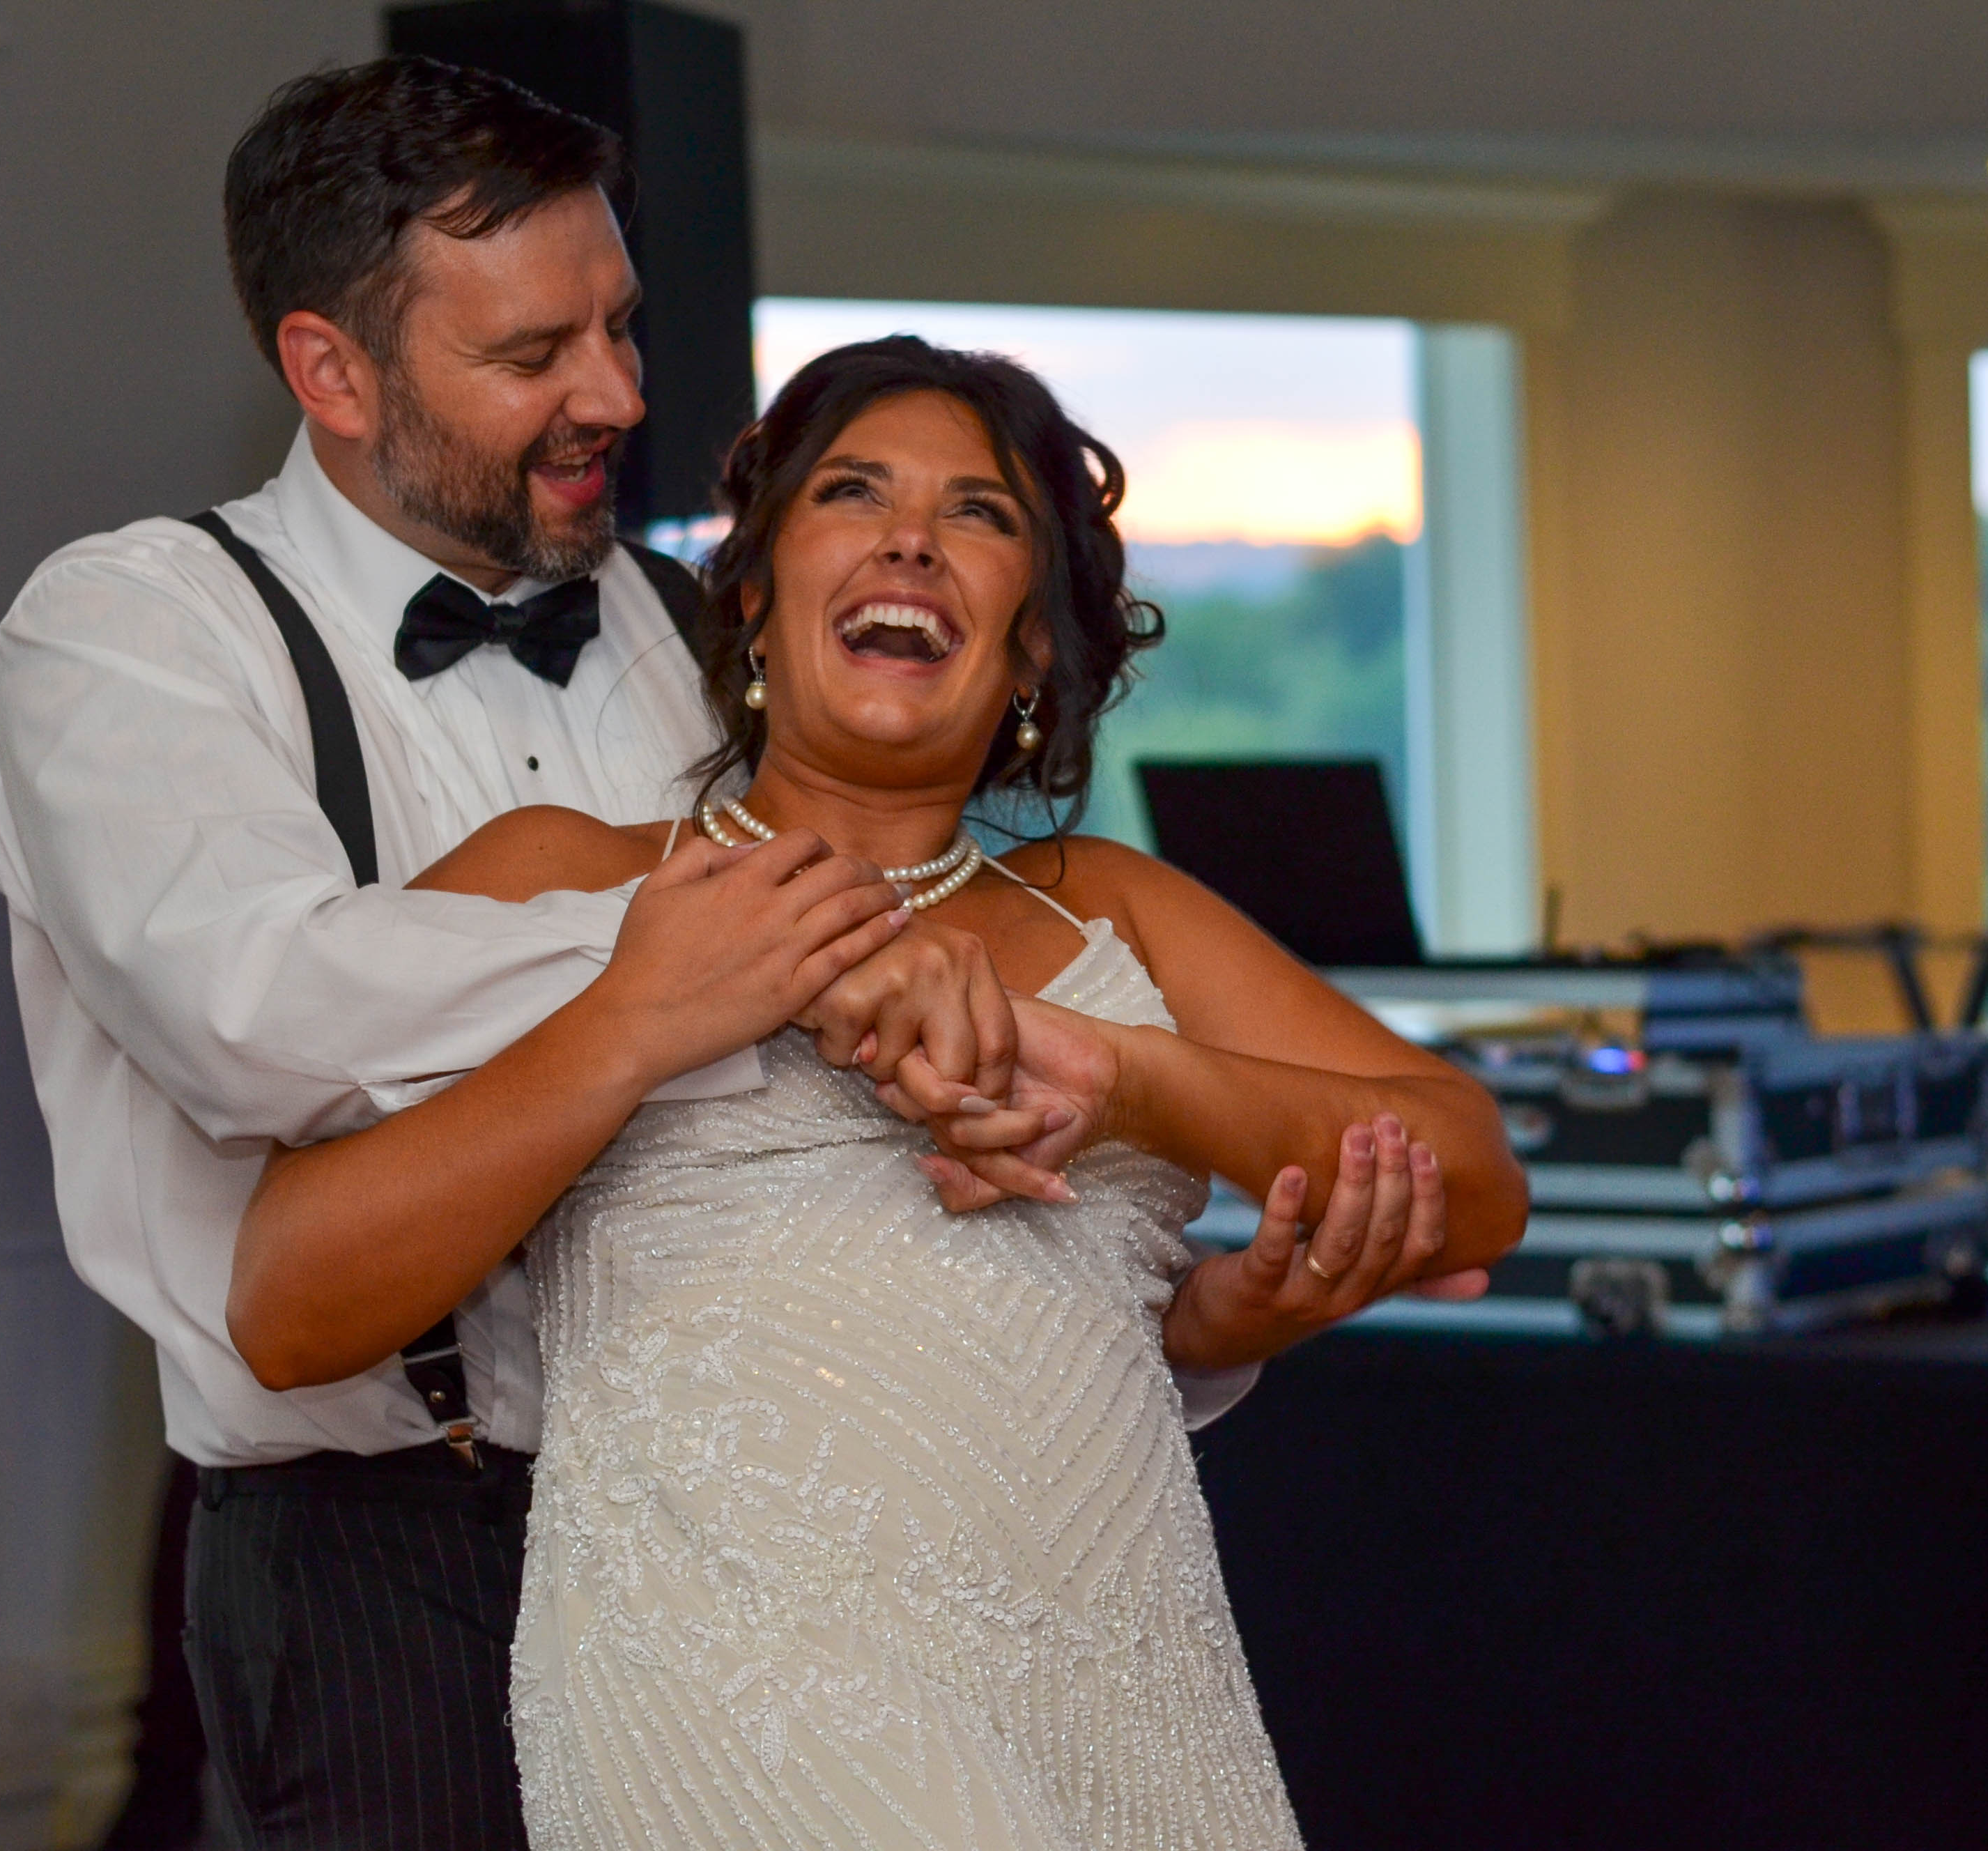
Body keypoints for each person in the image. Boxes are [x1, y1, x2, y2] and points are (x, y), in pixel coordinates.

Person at [0, 60, 1475, 1851]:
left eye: (621, 327)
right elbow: (253, 1017)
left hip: (859, 1552)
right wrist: (784, 946)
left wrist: (1201, 1312)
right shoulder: (137, 631)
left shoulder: (702, 629)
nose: (615, 392)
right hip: (387, 1533)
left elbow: (874, 1249)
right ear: (335, 371)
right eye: (537, 355)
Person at [227, 335, 1530, 1850]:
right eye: (853, 492)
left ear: (1032, 646)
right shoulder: (568, 879)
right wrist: (644, 1017)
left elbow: (1472, 1177)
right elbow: (283, 1302)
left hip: (1123, 1680)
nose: (912, 535)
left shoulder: (1111, 916)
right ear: (758, 595)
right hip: (740, 1700)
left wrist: (1122, 1078)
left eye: (979, 515)